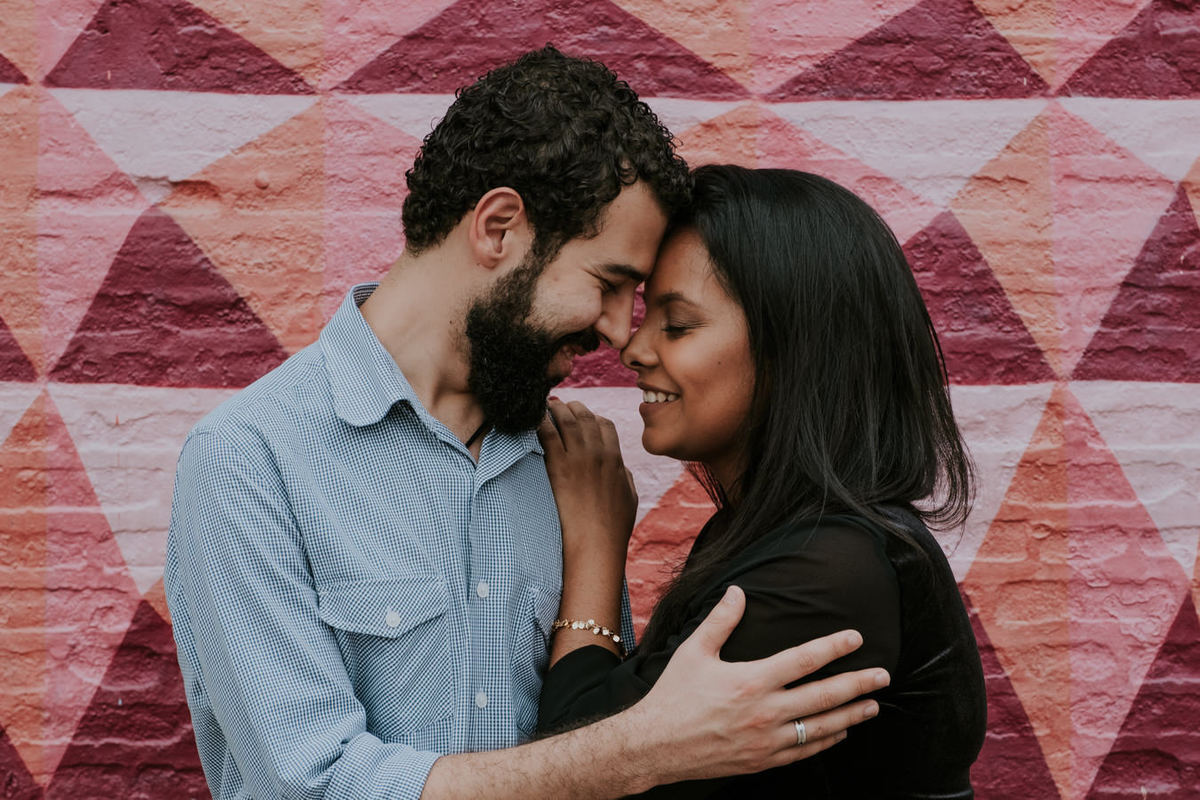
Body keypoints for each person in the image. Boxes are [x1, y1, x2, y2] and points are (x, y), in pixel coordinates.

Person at [165, 50, 888, 800]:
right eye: (608, 284)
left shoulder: (567, 464)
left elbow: (590, 713)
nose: (617, 332)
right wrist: (644, 748)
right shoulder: (251, 460)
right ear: (500, 227)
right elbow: (310, 787)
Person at [537, 165, 988, 798]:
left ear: (793, 352)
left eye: (678, 324)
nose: (633, 348)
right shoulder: (780, 535)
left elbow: (580, 763)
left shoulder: (825, 573)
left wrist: (595, 543)